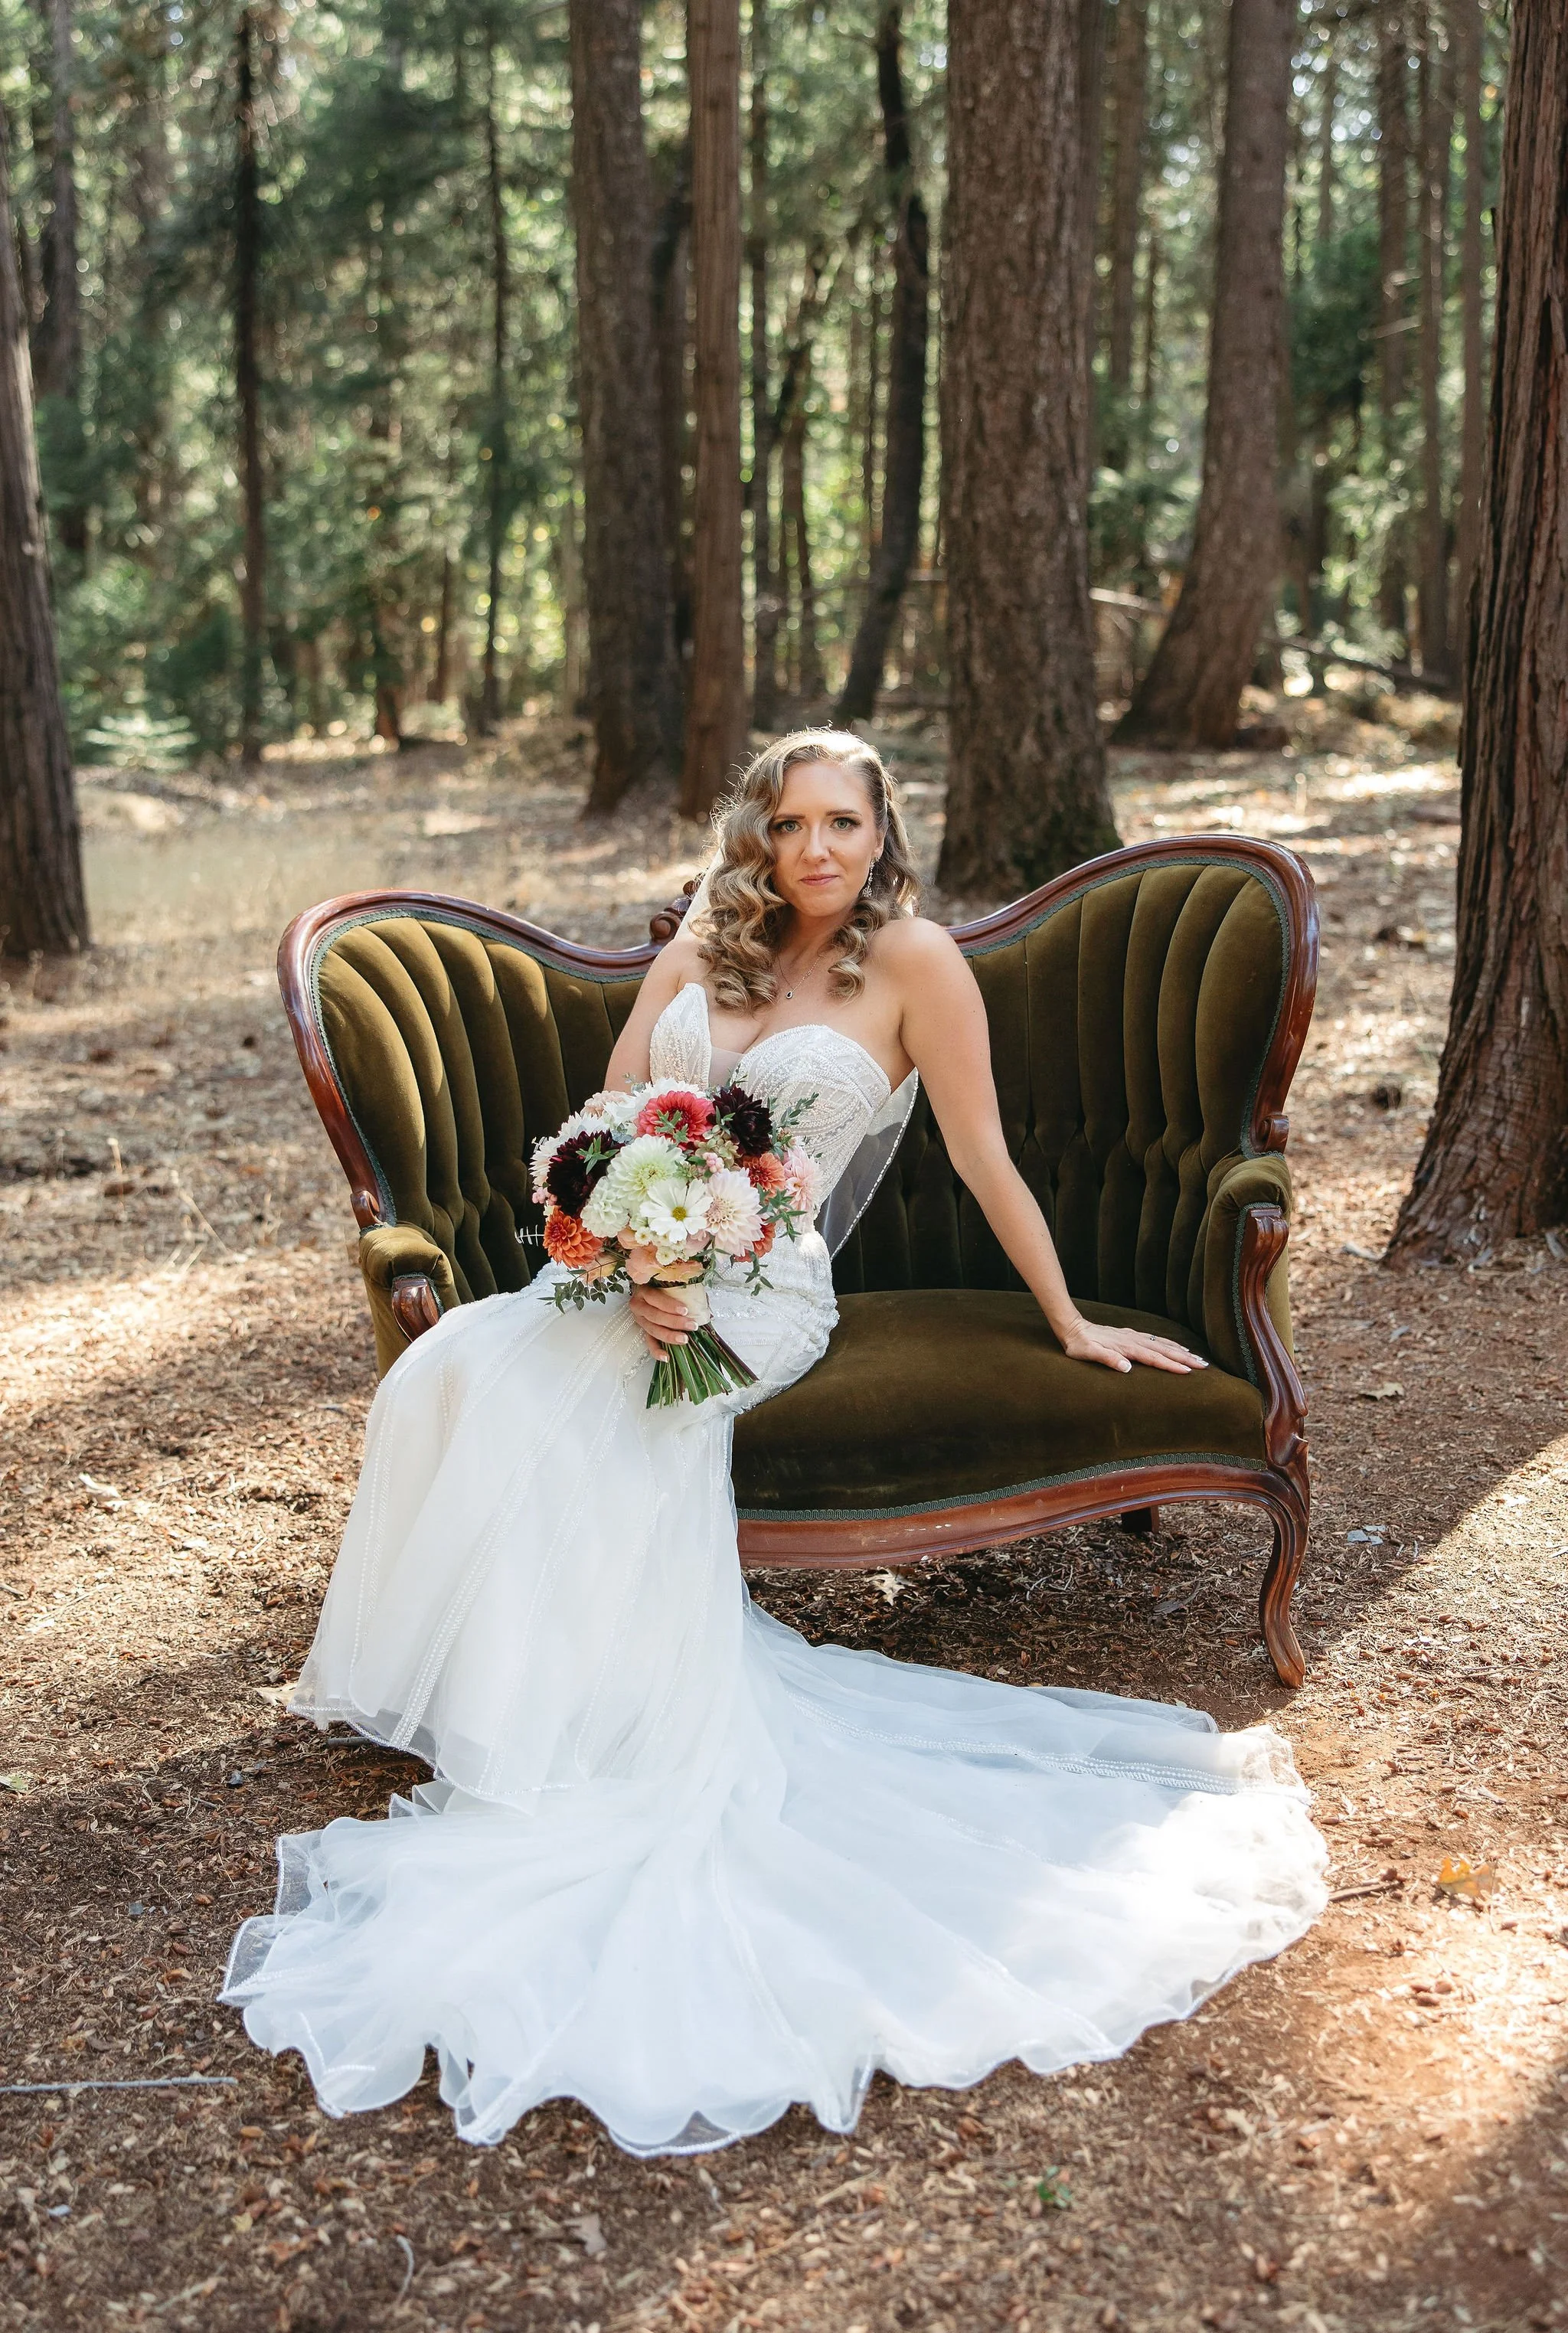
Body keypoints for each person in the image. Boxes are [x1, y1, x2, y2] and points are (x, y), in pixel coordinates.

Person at [224, 730, 1326, 2155]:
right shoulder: (709, 935)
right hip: (636, 1265)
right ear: (763, 831)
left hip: (764, 1287)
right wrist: (620, 1244)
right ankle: (519, 1693)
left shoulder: (918, 965)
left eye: (845, 826)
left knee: (596, 1408)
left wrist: (1071, 1319)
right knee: (456, 1365)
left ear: (883, 836)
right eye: (795, 823)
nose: (818, 850)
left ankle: (585, 1734)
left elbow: (989, 1157)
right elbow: (611, 1118)